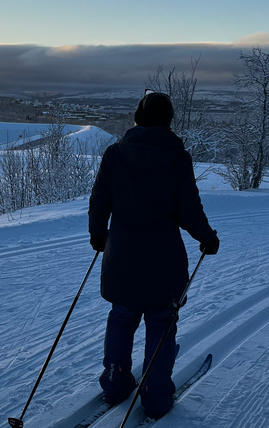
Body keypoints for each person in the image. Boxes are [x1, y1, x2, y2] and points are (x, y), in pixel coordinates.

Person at [87, 91, 220, 419]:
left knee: (122, 317)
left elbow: (99, 201)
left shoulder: (115, 154)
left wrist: (98, 236)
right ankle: (155, 394)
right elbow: (189, 210)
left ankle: (116, 381)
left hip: (121, 258)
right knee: (161, 323)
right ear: (167, 121)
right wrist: (207, 238)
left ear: (138, 118)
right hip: (163, 262)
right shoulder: (177, 158)